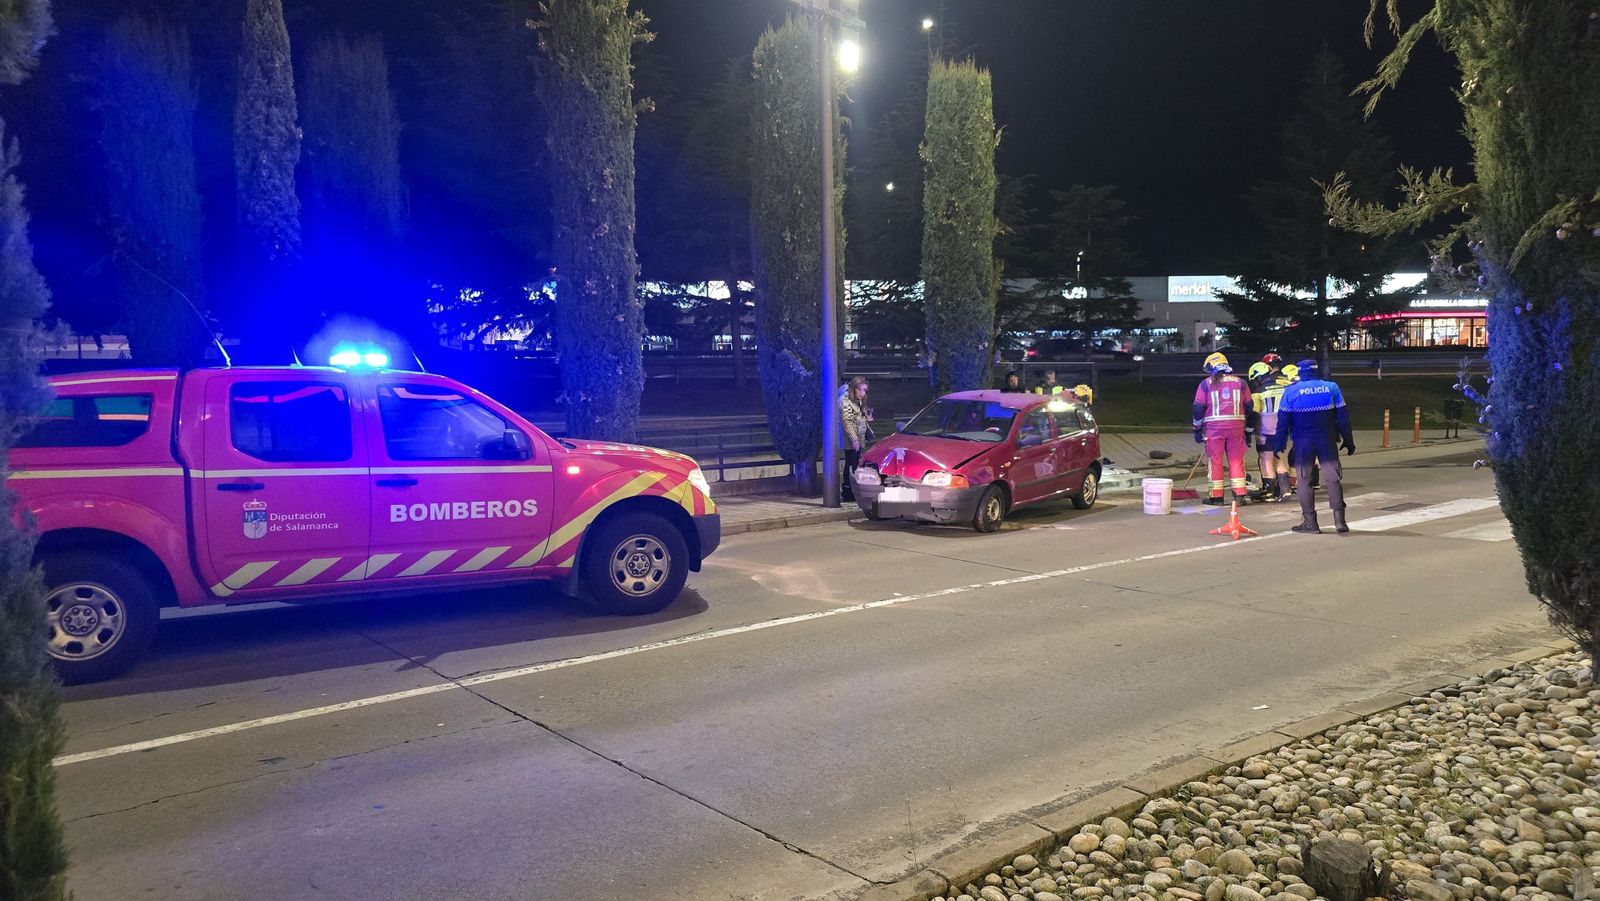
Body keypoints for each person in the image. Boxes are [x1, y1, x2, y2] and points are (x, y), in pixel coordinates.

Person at [1271, 359, 1354, 533]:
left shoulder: (1291, 391)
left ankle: (1310, 523)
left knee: (1304, 481)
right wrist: (1348, 440)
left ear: (1300, 373)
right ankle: (1340, 521)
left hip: (1303, 442)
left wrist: (1279, 444)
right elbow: (1343, 417)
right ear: (1316, 371)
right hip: (1327, 440)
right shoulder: (1331, 388)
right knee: (1333, 479)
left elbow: (1283, 422)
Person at [1192, 352, 1255, 506]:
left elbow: (1198, 407)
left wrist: (1197, 429)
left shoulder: (1205, 384)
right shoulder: (1241, 383)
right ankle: (1239, 495)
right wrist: (1248, 431)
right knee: (1236, 460)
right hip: (1236, 427)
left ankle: (1217, 497)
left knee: (1215, 461)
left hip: (1214, 428)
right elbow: (1249, 406)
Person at [1248, 362, 1288, 500]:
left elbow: (1254, 413)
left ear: (1258, 377)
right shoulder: (1283, 388)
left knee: (1265, 457)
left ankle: (1269, 491)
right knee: (1279, 455)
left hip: (1265, 430)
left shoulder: (1258, 392)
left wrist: (1248, 431)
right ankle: (1285, 489)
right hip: (1282, 429)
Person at [838, 376, 872, 501]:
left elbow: (857, 417)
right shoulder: (845, 401)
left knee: (854, 463)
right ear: (854, 389)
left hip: (857, 437)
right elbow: (847, 422)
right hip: (851, 439)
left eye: (865, 390)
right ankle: (847, 491)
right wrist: (854, 440)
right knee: (851, 464)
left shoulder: (857, 400)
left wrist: (866, 419)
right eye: (861, 390)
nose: (863, 393)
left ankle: (851, 490)